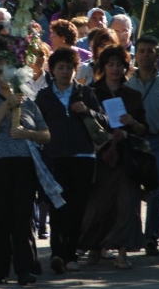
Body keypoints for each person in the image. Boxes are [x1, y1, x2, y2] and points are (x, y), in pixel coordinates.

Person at [0, 52, 51, 285]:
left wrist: (27, 133)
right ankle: (0, 271)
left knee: (22, 216)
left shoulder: (29, 102)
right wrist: (6, 106)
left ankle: (25, 269)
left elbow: (46, 135)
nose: (3, 74)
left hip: (23, 164)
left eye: (7, 69)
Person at [35, 47, 108, 274]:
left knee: (77, 209)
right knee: (58, 207)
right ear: (52, 70)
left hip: (83, 157)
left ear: (76, 69)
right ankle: (57, 254)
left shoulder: (86, 93)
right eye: (61, 67)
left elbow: (105, 121)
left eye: (70, 67)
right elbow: (37, 126)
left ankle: (71, 255)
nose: (66, 72)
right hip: (54, 157)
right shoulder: (44, 96)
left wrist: (87, 111)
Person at [79, 45, 148, 269]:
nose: (115, 68)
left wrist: (133, 123)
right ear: (103, 66)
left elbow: (143, 129)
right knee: (100, 205)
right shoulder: (91, 92)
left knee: (128, 205)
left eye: (119, 64)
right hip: (100, 156)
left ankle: (122, 253)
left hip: (127, 157)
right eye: (110, 64)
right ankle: (96, 247)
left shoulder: (133, 95)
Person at [125, 36, 159, 257]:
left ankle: (151, 237)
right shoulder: (127, 85)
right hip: (134, 143)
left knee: (158, 192)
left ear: (158, 56)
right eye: (142, 51)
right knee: (132, 190)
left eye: (150, 51)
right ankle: (132, 237)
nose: (146, 55)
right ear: (135, 55)